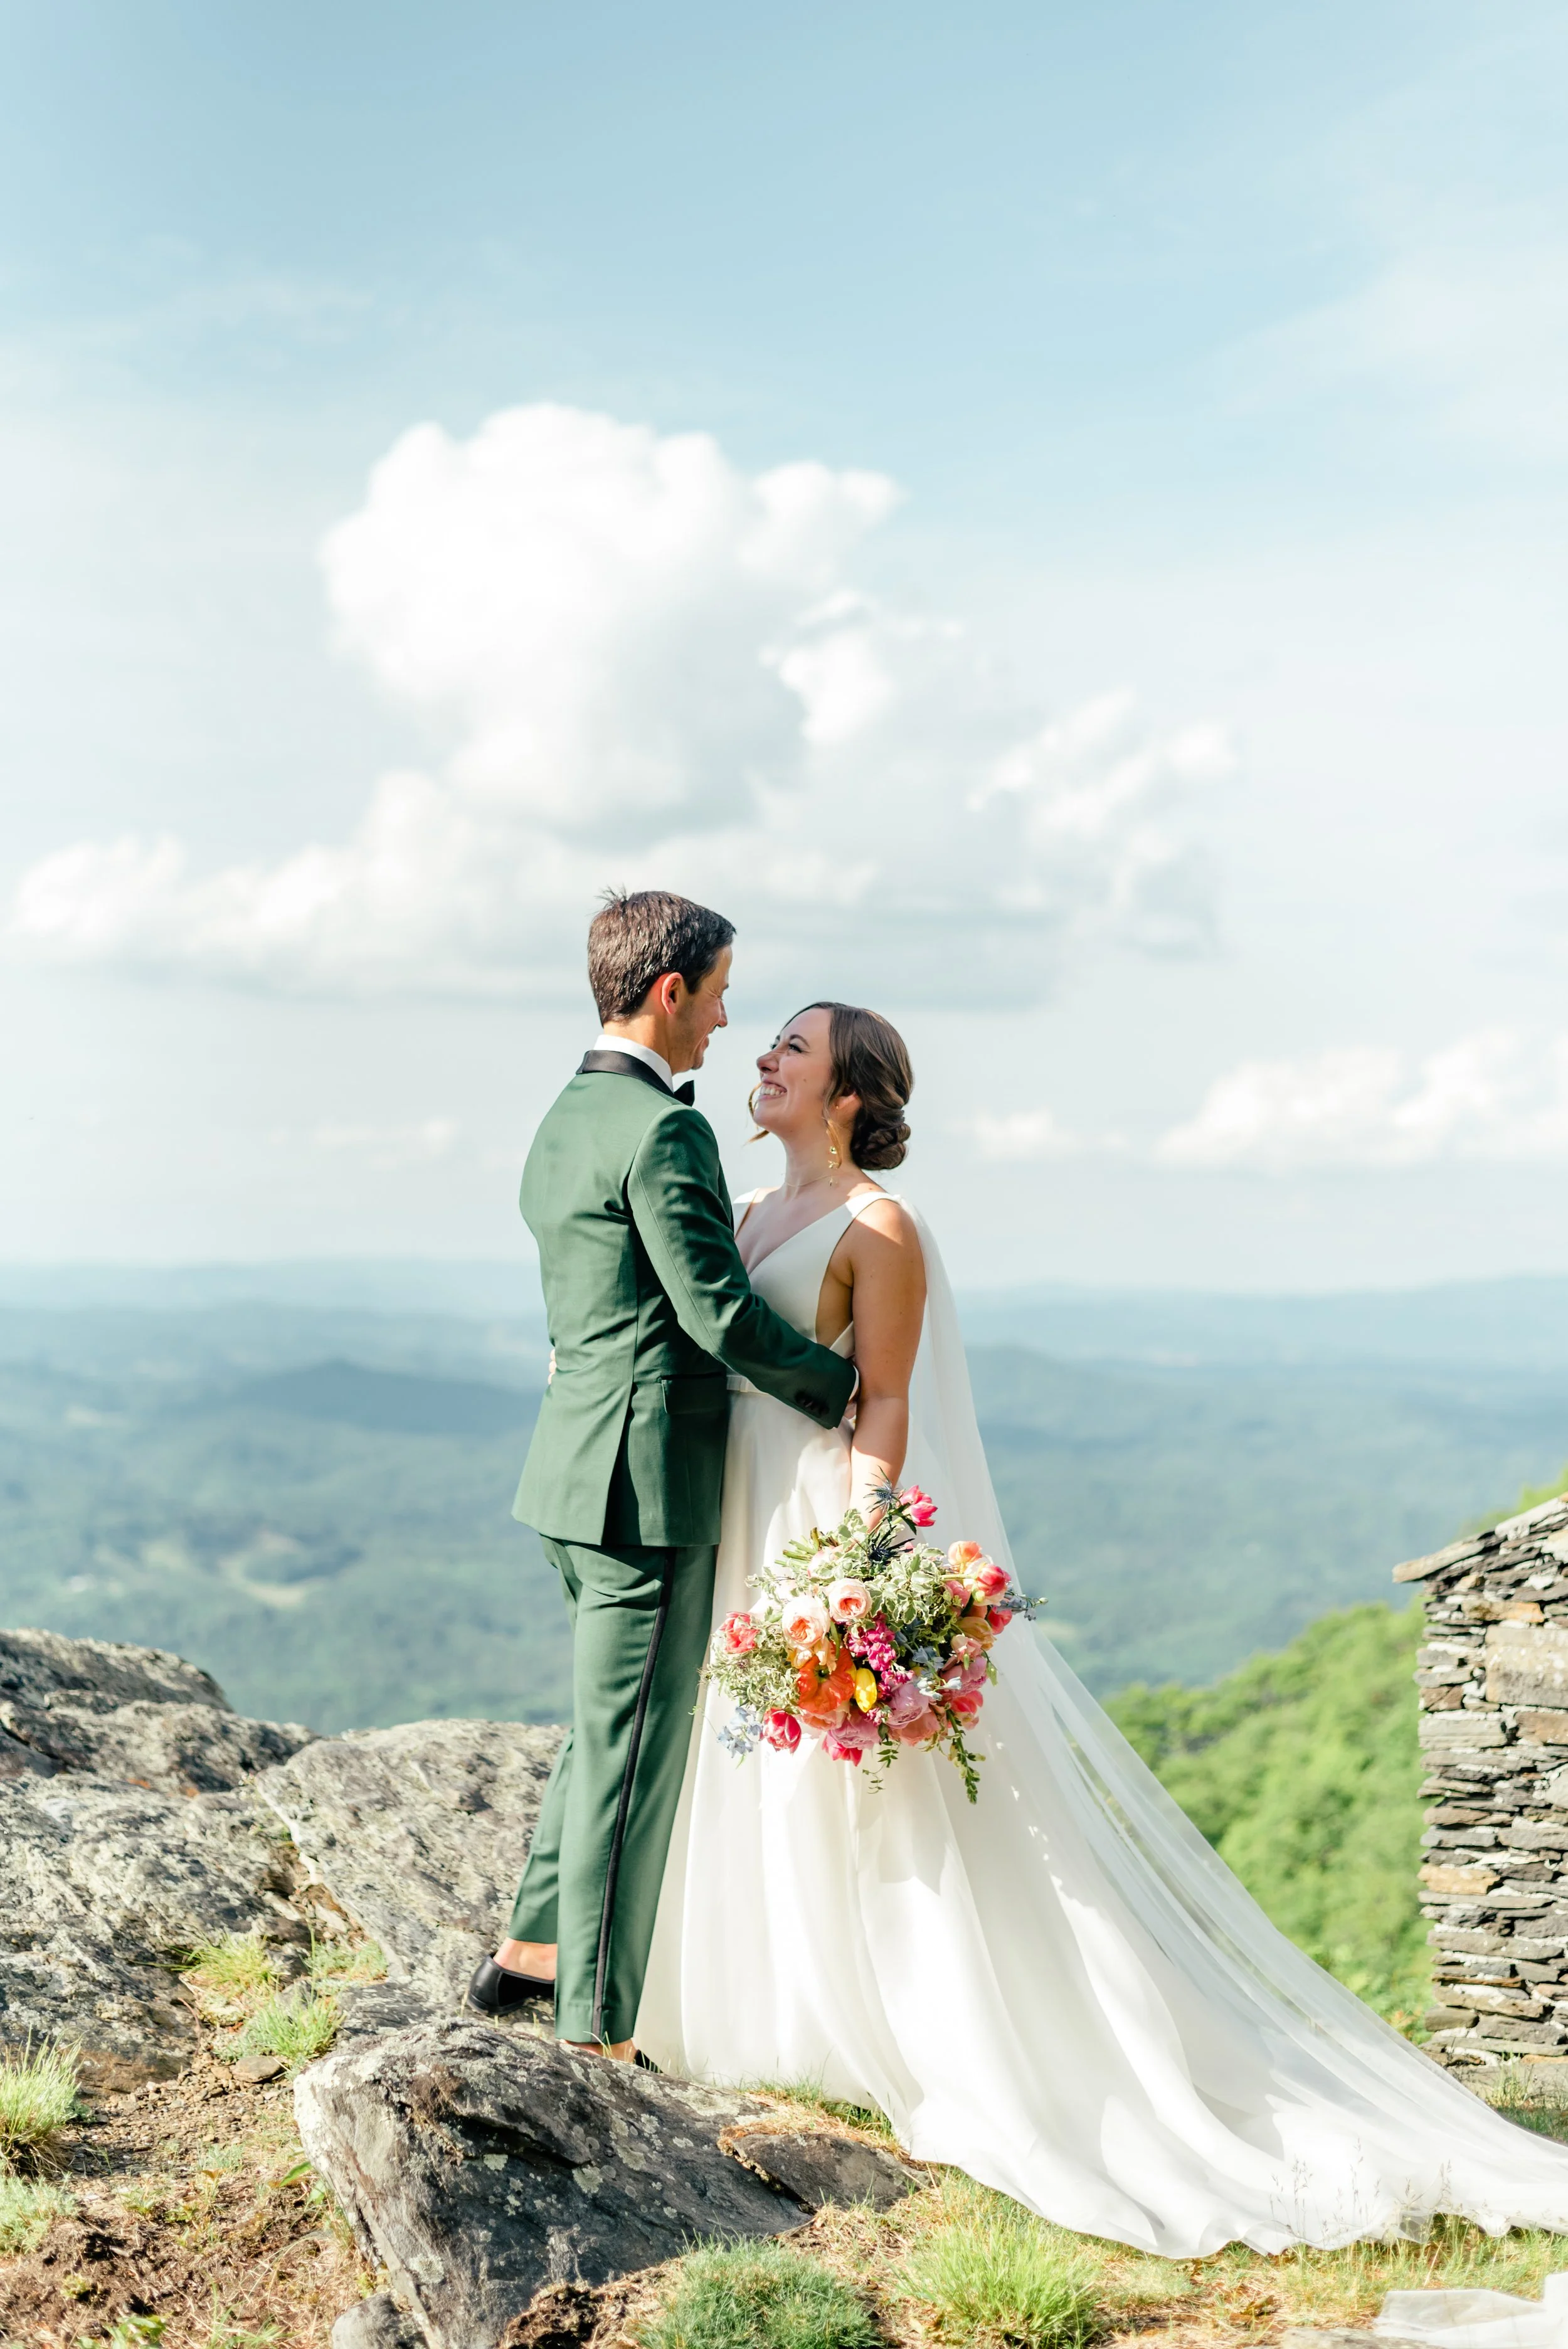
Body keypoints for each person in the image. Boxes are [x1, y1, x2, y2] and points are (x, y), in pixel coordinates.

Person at [635, 1000, 1568, 2254]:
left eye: (791, 1049)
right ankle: (781, 2016)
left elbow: (889, 1398)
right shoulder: (750, 1217)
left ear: (847, 1093)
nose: (764, 1060)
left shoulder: (881, 1225)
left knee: (855, 1787)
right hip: (736, 1516)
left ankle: (910, 2033)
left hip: (812, 1522)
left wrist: (852, 1560)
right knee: (751, 1756)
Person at [468, 891, 857, 2059]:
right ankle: (598, 2026)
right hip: (643, 1489)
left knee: (604, 1729)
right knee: (638, 1755)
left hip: (570, 1473)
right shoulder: (663, 1130)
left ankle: (532, 1951)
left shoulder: (564, 1115)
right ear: (671, 989)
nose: (730, 1021)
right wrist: (843, 1394)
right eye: (723, 992)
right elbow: (718, 1312)